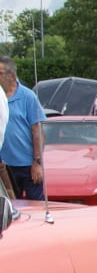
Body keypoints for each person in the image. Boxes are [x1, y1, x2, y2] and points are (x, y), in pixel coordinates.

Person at [1, 56, 47, 199]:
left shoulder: (28, 97)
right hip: (5, 166)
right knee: (9, 206)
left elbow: (38, 130)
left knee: (35, 206)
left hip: (27, 165)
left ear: (12, 75)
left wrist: (37, 162)